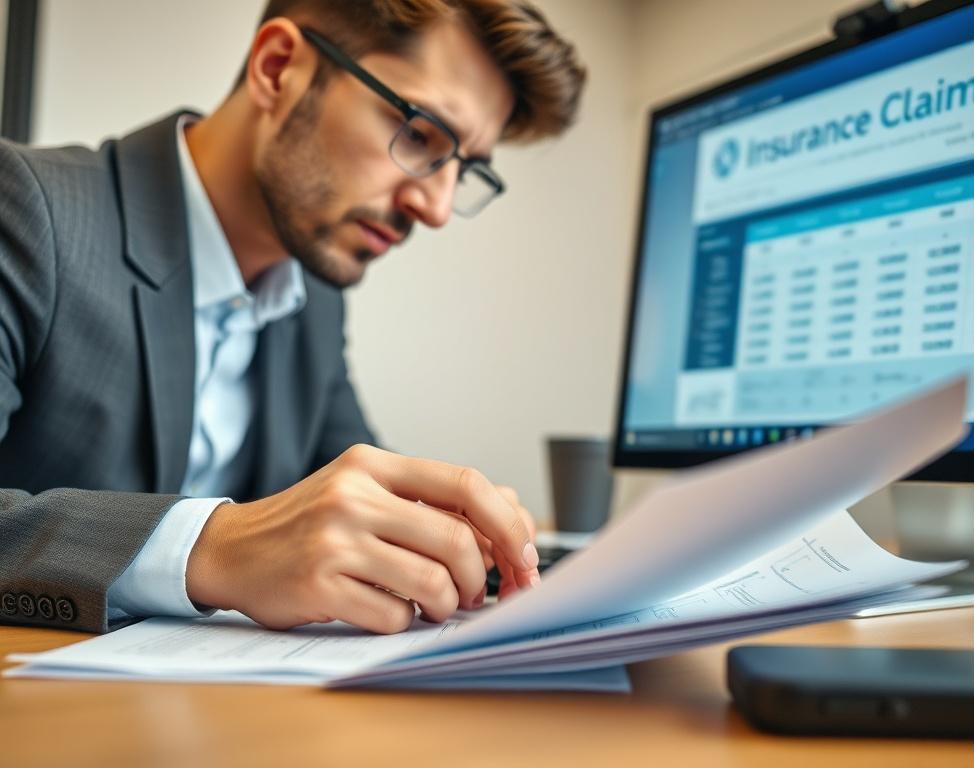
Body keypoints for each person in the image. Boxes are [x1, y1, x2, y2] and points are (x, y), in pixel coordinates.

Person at [0, 0, 585, 634]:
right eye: (419, 134)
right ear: (279, 69)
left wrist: (459, 535)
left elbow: (356, 504)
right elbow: (259, 540)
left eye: (462, 169)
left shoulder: (313, 302)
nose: (436, 208)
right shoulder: (28, 211)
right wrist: (217, 547)